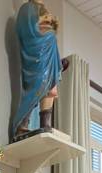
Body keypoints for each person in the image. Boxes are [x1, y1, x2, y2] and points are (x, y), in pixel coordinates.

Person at [13, 0, 62, 139]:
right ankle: (22, 126)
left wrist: (50, 30)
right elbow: (27, 32)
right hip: (36, 57)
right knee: (36, 88)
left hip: (49, 54)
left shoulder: (43, 9)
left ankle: (45, 124)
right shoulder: (27, 9)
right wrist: (47, 34)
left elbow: (50, 28)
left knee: (50, 89)